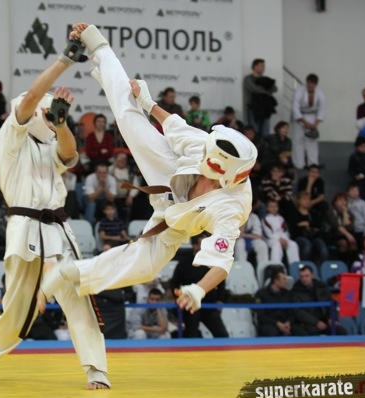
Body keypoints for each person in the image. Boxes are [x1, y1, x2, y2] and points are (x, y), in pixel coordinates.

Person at [38, 23, 258, 317]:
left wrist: (198, 290)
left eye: (210, 161)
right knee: (128, 116)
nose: (206, 155)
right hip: (171, 172)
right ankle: (99, 45)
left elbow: (221, 262)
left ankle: (68, 273)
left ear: (225, 173)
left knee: (145, 267)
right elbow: (174, 126)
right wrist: (147, 102)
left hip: (177, 223)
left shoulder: (230, 209)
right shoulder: (205, 145)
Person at [0, 38, 110, 390]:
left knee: (79, 298)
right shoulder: (11, 139)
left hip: (58, 227)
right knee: (20, 310)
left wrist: (61, 124)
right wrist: (64, 62)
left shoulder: (50, 143)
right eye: (47, 114)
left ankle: (96, 368)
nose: (47, 118)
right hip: (25, 226)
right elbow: (31, 97)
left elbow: (70, 155)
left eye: (52, 114)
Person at [170, 234, 228, 338]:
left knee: (222, 335)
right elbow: (174, 283)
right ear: (195, 246)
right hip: (190, 305)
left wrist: (220, 299)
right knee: (192, 335)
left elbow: (221, 282)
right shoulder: (184, 263)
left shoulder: (213, 263)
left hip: (209, 305)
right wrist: (180, 298)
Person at [292, 265, 347, 335]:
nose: (304, 279)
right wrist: (316, 322)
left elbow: (331, 305)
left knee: (340, 331)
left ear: (312, 276)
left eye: (306, 276)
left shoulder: (322, 287)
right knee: (312, 332)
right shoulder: (296, 291)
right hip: (309, 323)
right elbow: (299, 312)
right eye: (301, 276)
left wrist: (332, 318)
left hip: (325, 321)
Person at [255, 269, 308, 337]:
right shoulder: (261, 294)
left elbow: (292, 312)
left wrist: (288, 322)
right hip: (270, 324)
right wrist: (277, 323)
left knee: (302, 333)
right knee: (272, 333)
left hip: (286, 323)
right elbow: (261, 317)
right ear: (276, 281)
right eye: (284, 279)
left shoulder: (288, 294)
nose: (286, 281)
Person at [292, 73, 326, 169]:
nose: (310, 85)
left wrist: (316, 123)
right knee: (298, 140)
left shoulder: (319, 93)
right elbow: (295, 107)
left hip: (312, 116)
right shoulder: (299, 91)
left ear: (316, 84)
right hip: (300, 116)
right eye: (309, 83)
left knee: (312, 141)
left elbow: (322, 108)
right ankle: (299, 164)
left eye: (313, 84)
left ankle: (313, 164)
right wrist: (304, 121)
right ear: (306, 82)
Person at [290, 192, 329, 267]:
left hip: (314, 237)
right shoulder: (294, 213)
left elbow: (319, 226)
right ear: (299, 201)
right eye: (304, 199)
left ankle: (323, 269)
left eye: (309, 199)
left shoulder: (314, 213)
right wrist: (308, 227)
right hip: (299, 237)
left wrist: (307, 224)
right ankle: (302, 267)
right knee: (307, 245)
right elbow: (294, 228)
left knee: (323, 248)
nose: (307, 201)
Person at [242, 58, 277, 136]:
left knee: (265, 132)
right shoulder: (248, 79)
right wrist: (266, 91)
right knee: (254, 132)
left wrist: (264, 90)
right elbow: (254, 89)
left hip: (265, 109)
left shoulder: (266, 79)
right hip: (253, 109)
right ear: (255, 66)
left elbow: (274, 88)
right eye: (262, 66)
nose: (263, 68)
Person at [262, 199, 300, 266]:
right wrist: (279, 239)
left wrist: (284, 239)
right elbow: (268, 233)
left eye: (275, 206)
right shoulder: (265, 219)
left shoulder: (281, 218)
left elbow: (285, 231)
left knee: (293, 244)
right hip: (271, 239)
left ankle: (294, 266)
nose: (274, 208)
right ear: (267, 208)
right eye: (271, 206)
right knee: (277, 245)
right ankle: (276, 266)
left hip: (283, 238)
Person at [348, 136, 365, 213]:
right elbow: (350, 170)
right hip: (359, 182)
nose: (364, 149)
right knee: (361, 199)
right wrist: (355, 177)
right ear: (356, 147)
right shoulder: (353, 157)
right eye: (362, 147)